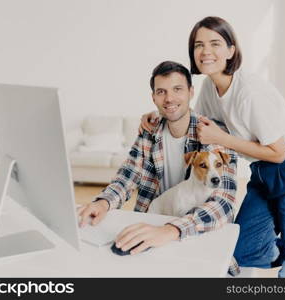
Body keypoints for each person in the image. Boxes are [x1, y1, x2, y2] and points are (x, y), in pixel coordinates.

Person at [140, 17, 285, 277]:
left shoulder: (249, 91)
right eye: (199, 45)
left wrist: (222, 139)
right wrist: (158, 115)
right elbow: (197, 123)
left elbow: (279, 152)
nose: (206, 51)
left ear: (231, 51)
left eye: (215, 43)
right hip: (263, 168)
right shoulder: (210, 87)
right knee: (240, 249)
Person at [77, 60, 240, 276]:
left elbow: (223, 203)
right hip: (152, 225)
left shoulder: (213, 132)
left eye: (177, 89)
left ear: (191, 92)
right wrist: (104, 203)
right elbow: (129, 175)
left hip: (197, 232)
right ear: (153, 97)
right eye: (161, 91)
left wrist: (172, 230)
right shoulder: (149, 131)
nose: (169, 98)